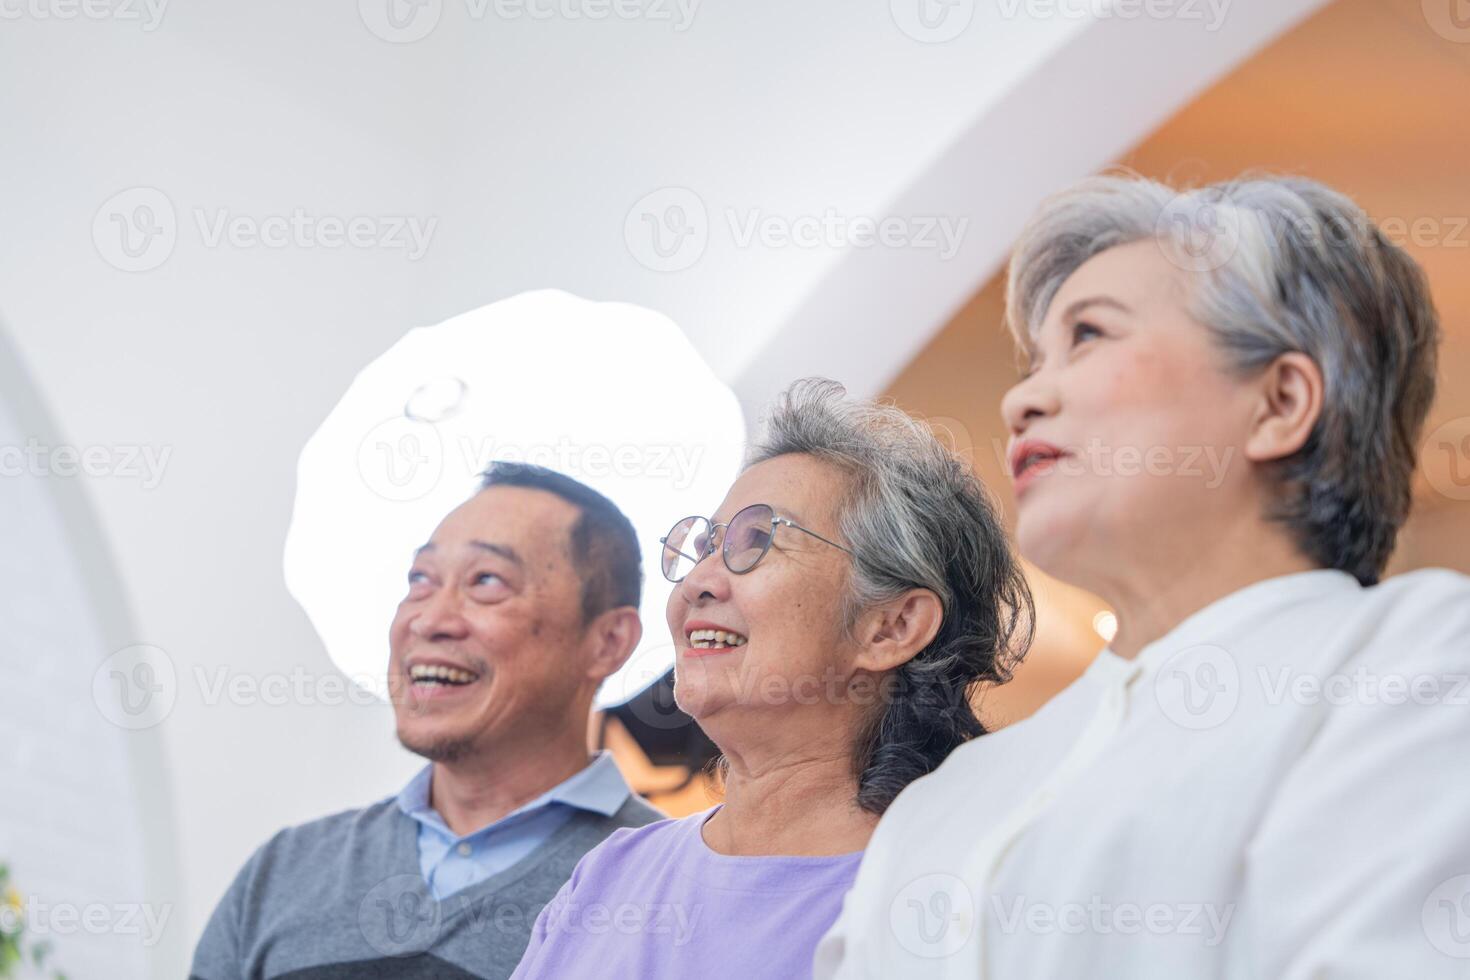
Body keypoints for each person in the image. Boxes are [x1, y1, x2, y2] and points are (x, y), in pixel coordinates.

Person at [814, 173, 1470, 978]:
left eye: (1089, 334)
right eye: (1033, 360)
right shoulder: (945, 800)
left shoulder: (1416, 660)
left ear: (1279, 402)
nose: (1022, 398)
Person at [509, 379, 1032, 980]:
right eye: (707, 545)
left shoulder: (960, 901)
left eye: (757, 542)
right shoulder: (608, 875)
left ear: (892, 626)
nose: (700, 581)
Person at [190, 463, 663, 979]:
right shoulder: (285, 870)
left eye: (486, 581)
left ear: (608, 642)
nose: (430, 619)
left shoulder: (672, 890)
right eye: (420, 580)